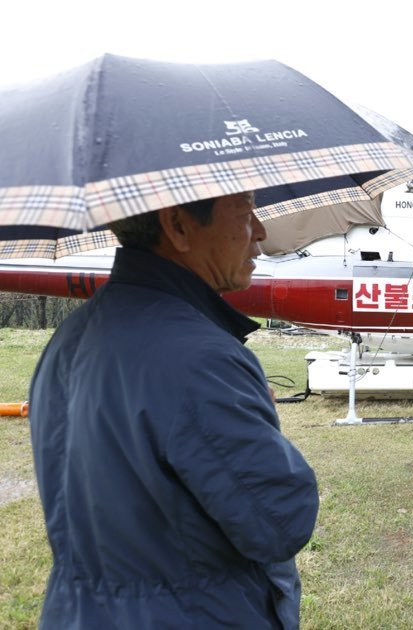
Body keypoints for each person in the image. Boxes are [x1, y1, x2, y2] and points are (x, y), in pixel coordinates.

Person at [29, 193, 320, 628]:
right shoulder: (200, 358)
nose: (259, 233)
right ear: (178, 226)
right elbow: (279, 523)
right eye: (243, 212)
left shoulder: (72, 334)